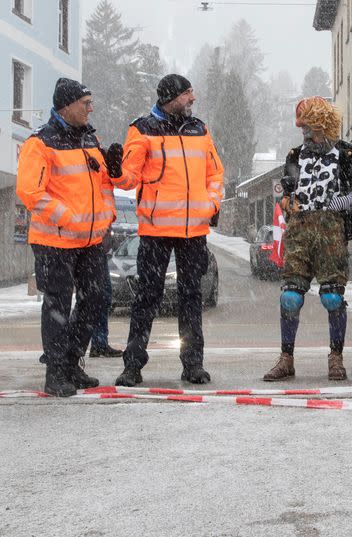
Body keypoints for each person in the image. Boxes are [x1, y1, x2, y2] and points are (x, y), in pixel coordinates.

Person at [108, 74, 224, 386]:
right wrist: (116, 171)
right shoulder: (142, 129)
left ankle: (193, 365)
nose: (193, 99)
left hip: (194, 232)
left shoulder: (200, 129)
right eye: (188, 93)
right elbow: (129, 179)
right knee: (147, 298)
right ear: (172, 97)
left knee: (191, 299)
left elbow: (215, 174)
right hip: (156, 230)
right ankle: (132, 367)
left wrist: (211, 204)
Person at [16, 78, 115, 396]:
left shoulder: (90, 139)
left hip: (90, 241)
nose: (90, 108)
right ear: (67, 106)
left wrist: (108, 213)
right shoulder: (41, 143)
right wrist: (67, 218)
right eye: (85, 103)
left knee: (95, 299)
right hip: (54, 242)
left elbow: (104, 184)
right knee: (58, 305)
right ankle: (55, 374)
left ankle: (72, 364)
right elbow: (30, 191)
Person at [262, 97, 352, 382]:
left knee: (333, 297)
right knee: (290, 297)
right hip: (300, 231)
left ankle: (336, 357)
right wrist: (285, 201)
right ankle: (286, 358)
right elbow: (284, 188)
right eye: (304, 128)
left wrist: (341, 203)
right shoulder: (295, 155)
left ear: (325, 125)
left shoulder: (348, 154)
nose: (307, 134)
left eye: (311, 127)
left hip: (331, 231)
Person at [87, 228, 125, 357]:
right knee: (98, 299)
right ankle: (98, 343)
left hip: (98, 250)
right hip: (93, 249)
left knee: (102, 298)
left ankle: (99, 343)